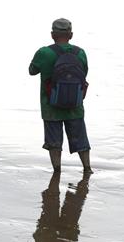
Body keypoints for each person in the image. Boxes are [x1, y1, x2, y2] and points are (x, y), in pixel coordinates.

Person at [28, 18, 92, 173]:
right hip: (75, 106)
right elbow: (84, 72)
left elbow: (32, 71)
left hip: (51, 106)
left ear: (52, 35)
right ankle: (87, 168)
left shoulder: (44, 52)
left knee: (54, 142)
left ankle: (57, 172)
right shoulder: (80, 52)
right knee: (80, 139)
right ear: (70, 35)